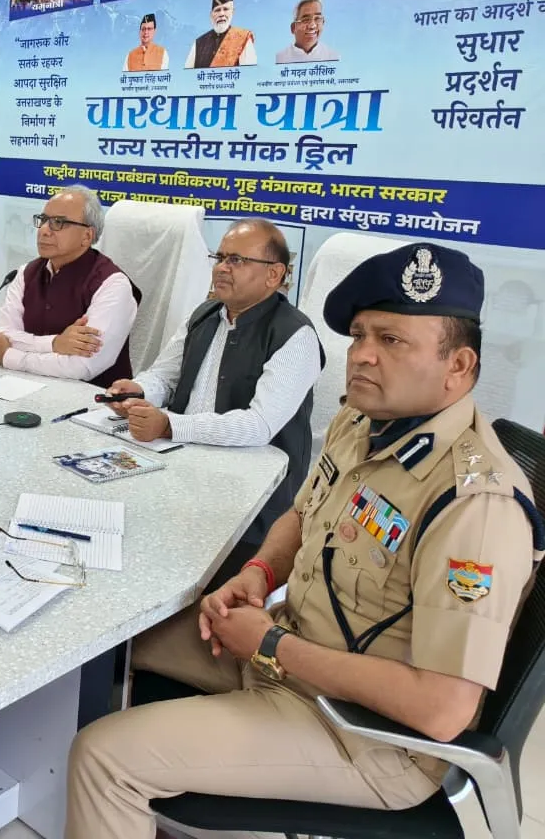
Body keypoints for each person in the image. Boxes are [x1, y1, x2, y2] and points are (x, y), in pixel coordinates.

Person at [67, 242, 544, 839]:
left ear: (459, 366)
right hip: (291, 651)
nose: (361, 355)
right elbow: (304, 513)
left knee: (104, 759)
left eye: (392, 340)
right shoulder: (363, 421)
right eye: (360, 335)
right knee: (106, 635)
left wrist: (271, 645)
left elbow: (442, 709)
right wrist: (260, 574)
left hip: (362, 736)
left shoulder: (474, 504)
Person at [106, 219, 323, 545]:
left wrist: (169, 426)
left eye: (236, 260)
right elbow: (164, 377)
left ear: (274, 274)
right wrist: (138, 392)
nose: (222, 268)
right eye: (220, 257)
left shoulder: (294, 334)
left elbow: (259, 426)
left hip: (251, 500)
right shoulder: (205, 314)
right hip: (180, 472)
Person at [0, 186, 140, 385]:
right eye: (43, 220)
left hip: (91, 397)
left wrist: (8, 356)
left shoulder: (112, 284)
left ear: (87, 236)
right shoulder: (26, 273)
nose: (44, 230)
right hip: (22, 386)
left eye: (58, 222)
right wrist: (55, 343)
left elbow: (82, 367)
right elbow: (2, 335)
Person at [185, 0, 257, 68]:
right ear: (211, 15)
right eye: (217, 10)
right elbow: (187, 73)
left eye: (225, 9)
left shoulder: (243, 38)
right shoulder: (198, 44)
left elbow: (249, 73)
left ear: (232, 12)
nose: (221, 14)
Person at [276, 0, 340, 64]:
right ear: (293, 27)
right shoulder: (280, 59)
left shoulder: (333, 57)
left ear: (323, 22)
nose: (312, 26)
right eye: (306, 20)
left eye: (317, 18)